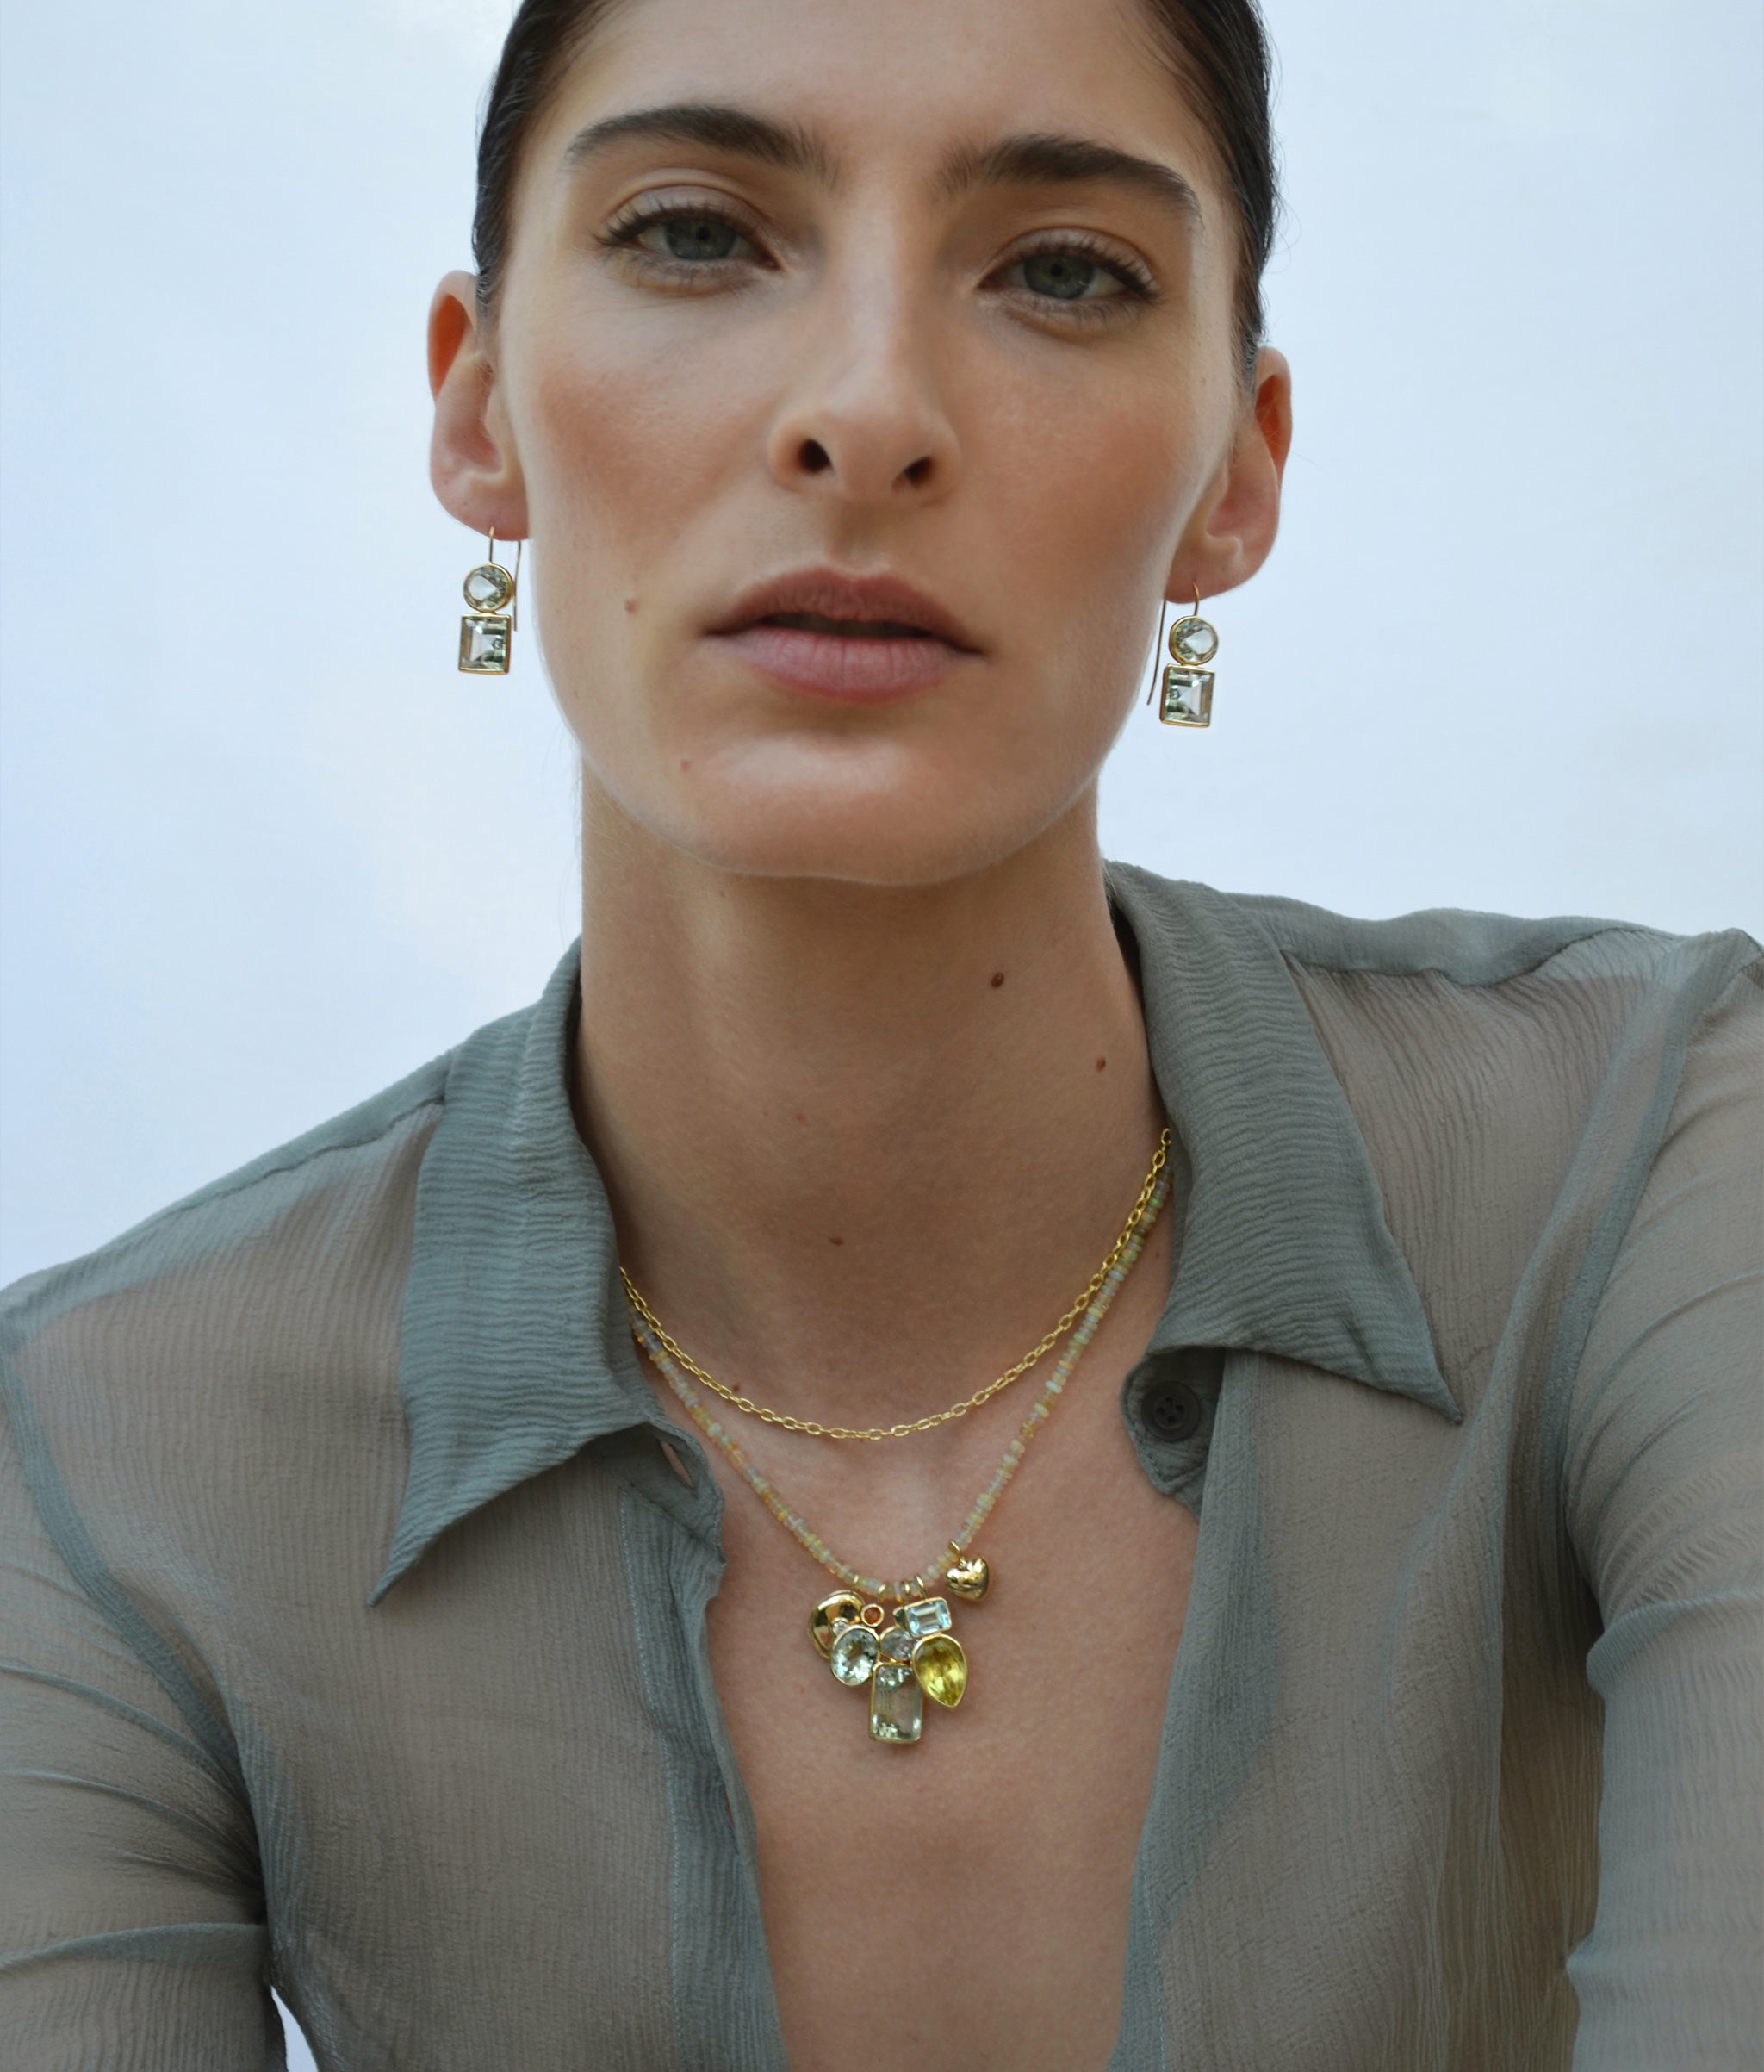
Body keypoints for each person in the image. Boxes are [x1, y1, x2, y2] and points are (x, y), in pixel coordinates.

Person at [3, 0, 1759, 2065]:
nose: (865, 411)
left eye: (1063, 272)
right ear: (478, 414)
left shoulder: (1657, 1159)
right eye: (691, 234)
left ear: (1234, 475)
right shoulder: (100, 1459)